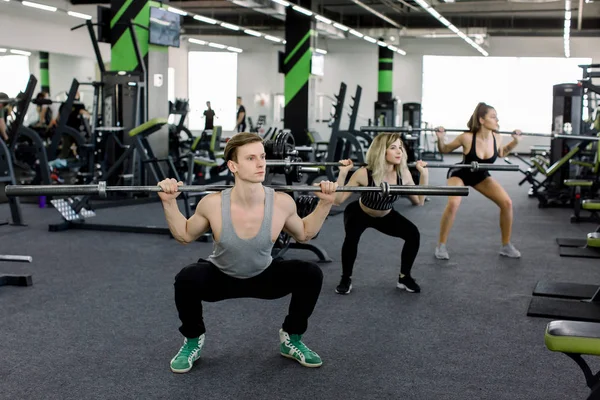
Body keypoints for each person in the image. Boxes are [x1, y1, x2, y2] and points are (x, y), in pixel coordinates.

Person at [159, 132, 338, 373]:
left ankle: (292, 338)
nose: (261, 163)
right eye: (251, 158)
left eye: (262, 156)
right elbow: (185, 235)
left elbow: (304, 234)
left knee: (310, 273)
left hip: (264, 275)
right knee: (186, 279)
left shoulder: (282, 202)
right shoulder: (212, 203)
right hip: (221, 277)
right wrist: (169, 202)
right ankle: (193, 340)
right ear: (233, 165)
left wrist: (325, 203)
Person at [333, 133, 428, 295]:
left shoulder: (403, 174)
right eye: (393, 148)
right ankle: (345, 278)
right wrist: (343, 173)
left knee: (413, 234)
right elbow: (338, 200)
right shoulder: (364, 173)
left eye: (400, 147)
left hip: (386, 215)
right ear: (381, 151)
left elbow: (419, 201)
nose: (399, 152)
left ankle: (404, 277)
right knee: (351, 239)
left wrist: (424, 175)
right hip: (360, 212)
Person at [434, 102, 522, 260]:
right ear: (482, 120)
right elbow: (445, 149)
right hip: (460, 173)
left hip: (480, 176)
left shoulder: (497, 137)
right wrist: (440, 139)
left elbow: (501, 153)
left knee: (507, 203)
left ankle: (506, 245)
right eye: (493, 117)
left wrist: (515, 141)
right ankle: (441, 246)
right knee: (454, 203)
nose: (497, 121)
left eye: (497, 117)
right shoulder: (467, 137)